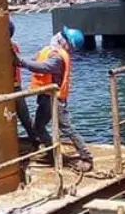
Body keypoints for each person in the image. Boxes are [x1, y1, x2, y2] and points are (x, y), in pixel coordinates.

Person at [15, 26, 93, 172]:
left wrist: (21, 62)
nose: (58, 36)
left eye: (63, 36)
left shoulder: (57, 57)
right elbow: (35, 60)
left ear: (66, 43)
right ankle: (52, 153)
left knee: (66, 128)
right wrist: (21, 60)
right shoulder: (51, 51)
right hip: (45, 97)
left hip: (56, 99)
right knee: (39, 126)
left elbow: (43, 67)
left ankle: (86, 157)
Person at [9, 20, 39, 147]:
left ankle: (35, 139)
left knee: (23, 115)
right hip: (15, 85)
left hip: (14, 86)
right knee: (23, 115)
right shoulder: (13, 46)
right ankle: (34, 138)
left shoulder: (11, 47)